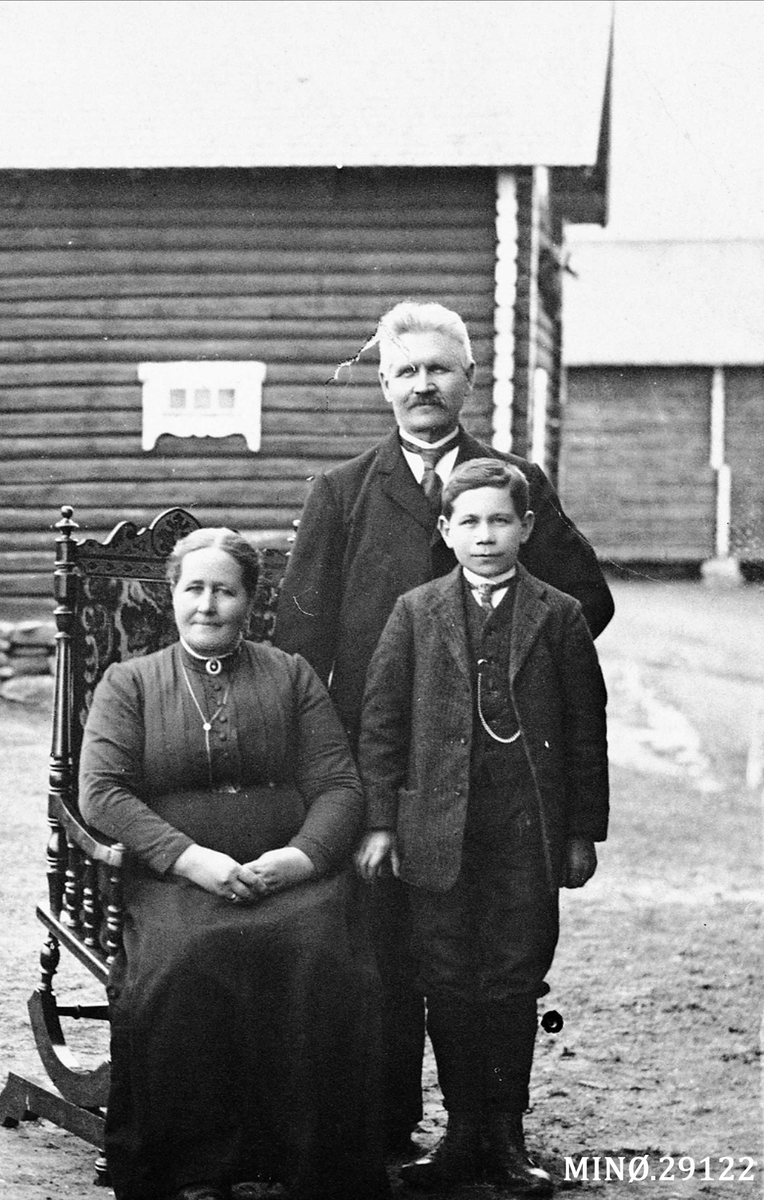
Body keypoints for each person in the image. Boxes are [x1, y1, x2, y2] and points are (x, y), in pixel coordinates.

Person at [274, 300, 614, 1149]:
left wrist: (504, 669)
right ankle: (389, 1130)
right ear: (383, 385)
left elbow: (587, 604)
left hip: (502, 780)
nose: (423, 384)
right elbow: (298, 645)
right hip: (385, 773)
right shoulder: (344, 493)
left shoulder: (513, 484)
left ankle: (485, 1133)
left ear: (469, 379)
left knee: (496, 961)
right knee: (391, 954)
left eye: (439, 369)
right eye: (405, 371)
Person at [79, 527, 390, 1200]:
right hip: (176, 880)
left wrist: (301, 859)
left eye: (225, 590)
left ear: (251, 600)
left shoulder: (291, 674)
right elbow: (101, 791)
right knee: (187, 960)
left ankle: (312, 1164)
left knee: (320, 954)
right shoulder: (129, 682)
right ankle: (191, 1167)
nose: (208, 605)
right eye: (194, 589)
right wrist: (191, 860)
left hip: (288, 876)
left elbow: (339, 784)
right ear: (172, 597)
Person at [356, 458, 610, 1196]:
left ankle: (505, 1134)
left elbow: (586, 731)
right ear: (445, 530)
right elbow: (381, 725)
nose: (486, 535)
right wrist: (381, 823)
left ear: (527, 527)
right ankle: (462, 1134)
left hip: (525, 834)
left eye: (501, 520)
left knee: (511, 979)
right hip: (437, 832)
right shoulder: (415, 612)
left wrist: (580, 832)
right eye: (469, 521)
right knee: (445, 978)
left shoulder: (558, 616)